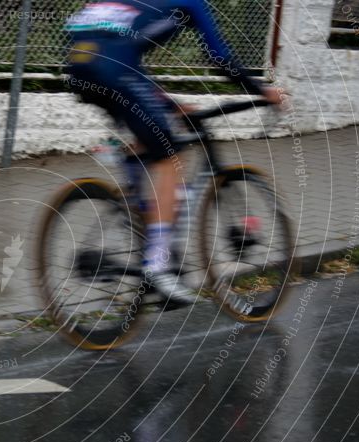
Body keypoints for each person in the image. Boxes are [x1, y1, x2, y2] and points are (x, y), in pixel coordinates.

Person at [65, 0, 283, 304]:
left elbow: (123, 50)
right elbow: (218, 57)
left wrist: (170, 104)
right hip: (115, 68)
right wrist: (261, 90)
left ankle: (135, 215)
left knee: (145, 143)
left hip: (79, 66)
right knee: (170, 157)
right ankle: (158, 264)